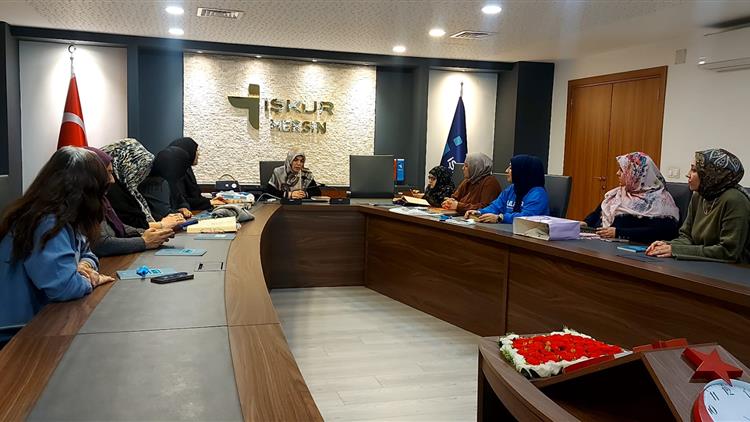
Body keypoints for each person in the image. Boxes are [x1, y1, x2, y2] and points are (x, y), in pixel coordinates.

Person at [0, 147, 115, 346]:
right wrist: (92, 279)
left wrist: (84, 266)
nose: (111, 182)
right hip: (17, 335)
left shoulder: (64, 216)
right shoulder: (46, 222)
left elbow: (87, 252)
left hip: (40, 322)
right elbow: (65, 288)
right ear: (85, 190)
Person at [647, 149, 750, 263]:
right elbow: (687, 237)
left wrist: (676, 250)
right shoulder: (699, 195)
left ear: (712, 174)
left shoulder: (735, 200)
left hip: (734, 269)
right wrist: (667, 245)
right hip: (703, 263)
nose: (688, 174)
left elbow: (728, 252)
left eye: (694, 170)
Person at [85, 147, 173, 257]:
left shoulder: (102, 198)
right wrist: (144, 241)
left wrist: (147, 233)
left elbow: (119, 226)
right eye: (108, 173)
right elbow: (99, 244)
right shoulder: (86, 202)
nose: (112, 180)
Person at [582, 152, 680, 244]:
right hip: (599, 241)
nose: (617, 173)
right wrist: (586, 223)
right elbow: (598, 213)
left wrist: (619, 232)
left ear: (637, 174)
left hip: (630, 248)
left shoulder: (660, 200)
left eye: (622, 170)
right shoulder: (618, 193)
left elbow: (663, 231)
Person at [102, 139, 185, 230]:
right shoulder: (112, 190)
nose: (141, 176)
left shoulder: (126, 187)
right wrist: (161, 224)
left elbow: (139, 217)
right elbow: (127, 224)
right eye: (139, 170)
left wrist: (167, 219)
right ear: (126, 165)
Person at [466, 154, 549, 223]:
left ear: (522, 171)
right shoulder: (512, 188)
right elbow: (496, 206)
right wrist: (479, 212)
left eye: (511, 168)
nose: (506, 170)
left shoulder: (538, 194)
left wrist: (500, 218)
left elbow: (526, 217)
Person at [169, 137, 225, 211]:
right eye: (196, 150)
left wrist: (211, 200)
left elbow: (195, 196)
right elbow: (181, 201)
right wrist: (210, 202)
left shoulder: (187, 169)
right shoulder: (175, 172)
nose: (198, 154)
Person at [139, 146, 193, 221]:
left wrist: (184, 208)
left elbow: (182, 201)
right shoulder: (157, 183)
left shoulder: (172, 181)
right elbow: (163, 214)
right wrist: (179, 211)